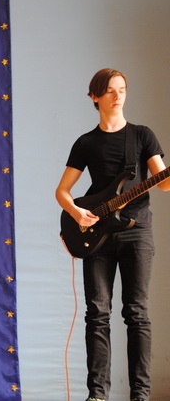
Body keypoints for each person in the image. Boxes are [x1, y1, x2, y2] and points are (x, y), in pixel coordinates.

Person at [55, 68, 170, 401]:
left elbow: (163, 183)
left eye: (122, 89)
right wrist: (77, 213)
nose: (118, 95)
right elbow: (62, 191)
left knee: (137, 313)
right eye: (110, 90)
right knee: (97, 313)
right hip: (97, 235)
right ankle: (97, 394)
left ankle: (140, 395)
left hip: (137, 232)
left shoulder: (143, 136)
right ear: (95, 96)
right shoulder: (86, 142)